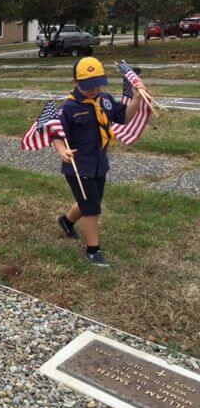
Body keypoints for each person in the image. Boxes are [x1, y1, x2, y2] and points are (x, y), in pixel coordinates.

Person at [53, 57, 144, 267]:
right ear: (76, 82)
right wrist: (62, 151)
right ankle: (93, 250)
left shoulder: (105, 100)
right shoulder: (69, 108)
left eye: (97, 84)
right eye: (88, 86)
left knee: (90, 201)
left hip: (99, 163)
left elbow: (125, 118)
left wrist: (137, 99)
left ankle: (66, 221)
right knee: (92, 206)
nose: (94, 89)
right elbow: (56, 134)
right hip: (77, 165)